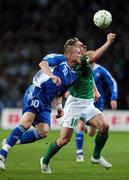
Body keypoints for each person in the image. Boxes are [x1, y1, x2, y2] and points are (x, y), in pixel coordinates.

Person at [40, 33, 116, 173]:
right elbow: (93, 58)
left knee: (104, 126)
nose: (84, 46)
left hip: (87, 103)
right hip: (75, 104)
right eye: (80, 45)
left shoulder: (83, 61)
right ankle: (45, 160)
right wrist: (108, 43)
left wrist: (95, 90)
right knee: (64, 140)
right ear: (74, 50)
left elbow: (89, 74)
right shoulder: (77, 62)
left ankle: (96, 156)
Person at [0, 45, 82, 171]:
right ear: (69, 55)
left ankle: (10, 141)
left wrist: (60, 107)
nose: (80, 55)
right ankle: (2, 155)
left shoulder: (72, 76)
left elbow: (59, 95)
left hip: (46, 102)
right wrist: (52, 75)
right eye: (78, 53)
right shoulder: (60, 59)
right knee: (26, 122)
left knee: (44, 131)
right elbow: (42, 63)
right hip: (37, 91)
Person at [76, 61, 118, 162]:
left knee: (91, 133)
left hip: (98, 103)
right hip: (85, 101)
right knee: (81, 125)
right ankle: (79, 153)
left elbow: (112, 82)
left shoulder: (100, 70)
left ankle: (83, 129)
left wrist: (114, 97)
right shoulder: (80, 69)